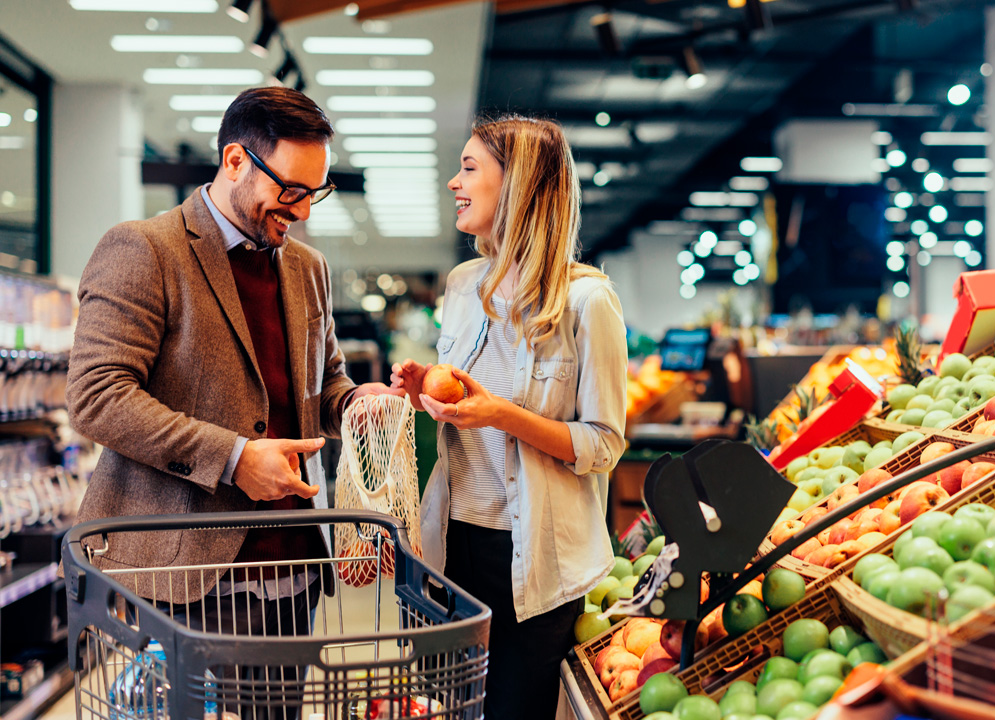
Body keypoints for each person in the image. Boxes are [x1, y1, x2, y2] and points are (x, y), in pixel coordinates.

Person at [66, 87, 403, 716]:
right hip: (184, 578)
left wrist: (360, 403)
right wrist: (234, 457)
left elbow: (322, 384)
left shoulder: (308, 268)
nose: (302, 211)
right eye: (291, 190)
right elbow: (96, 395)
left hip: (292, 571)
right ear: (235, 160)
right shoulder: (145, 250)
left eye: (315, 192)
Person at [391, 115, 627, 719]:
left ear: (518, 183)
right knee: (455, 709)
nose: (454, 182)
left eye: (470, 168)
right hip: (455, 543)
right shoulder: (463, 285)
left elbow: (603, 445)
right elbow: (463, 404)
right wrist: (424, 392)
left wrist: (502, 415)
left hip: (536, 558)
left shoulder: (586, 300)